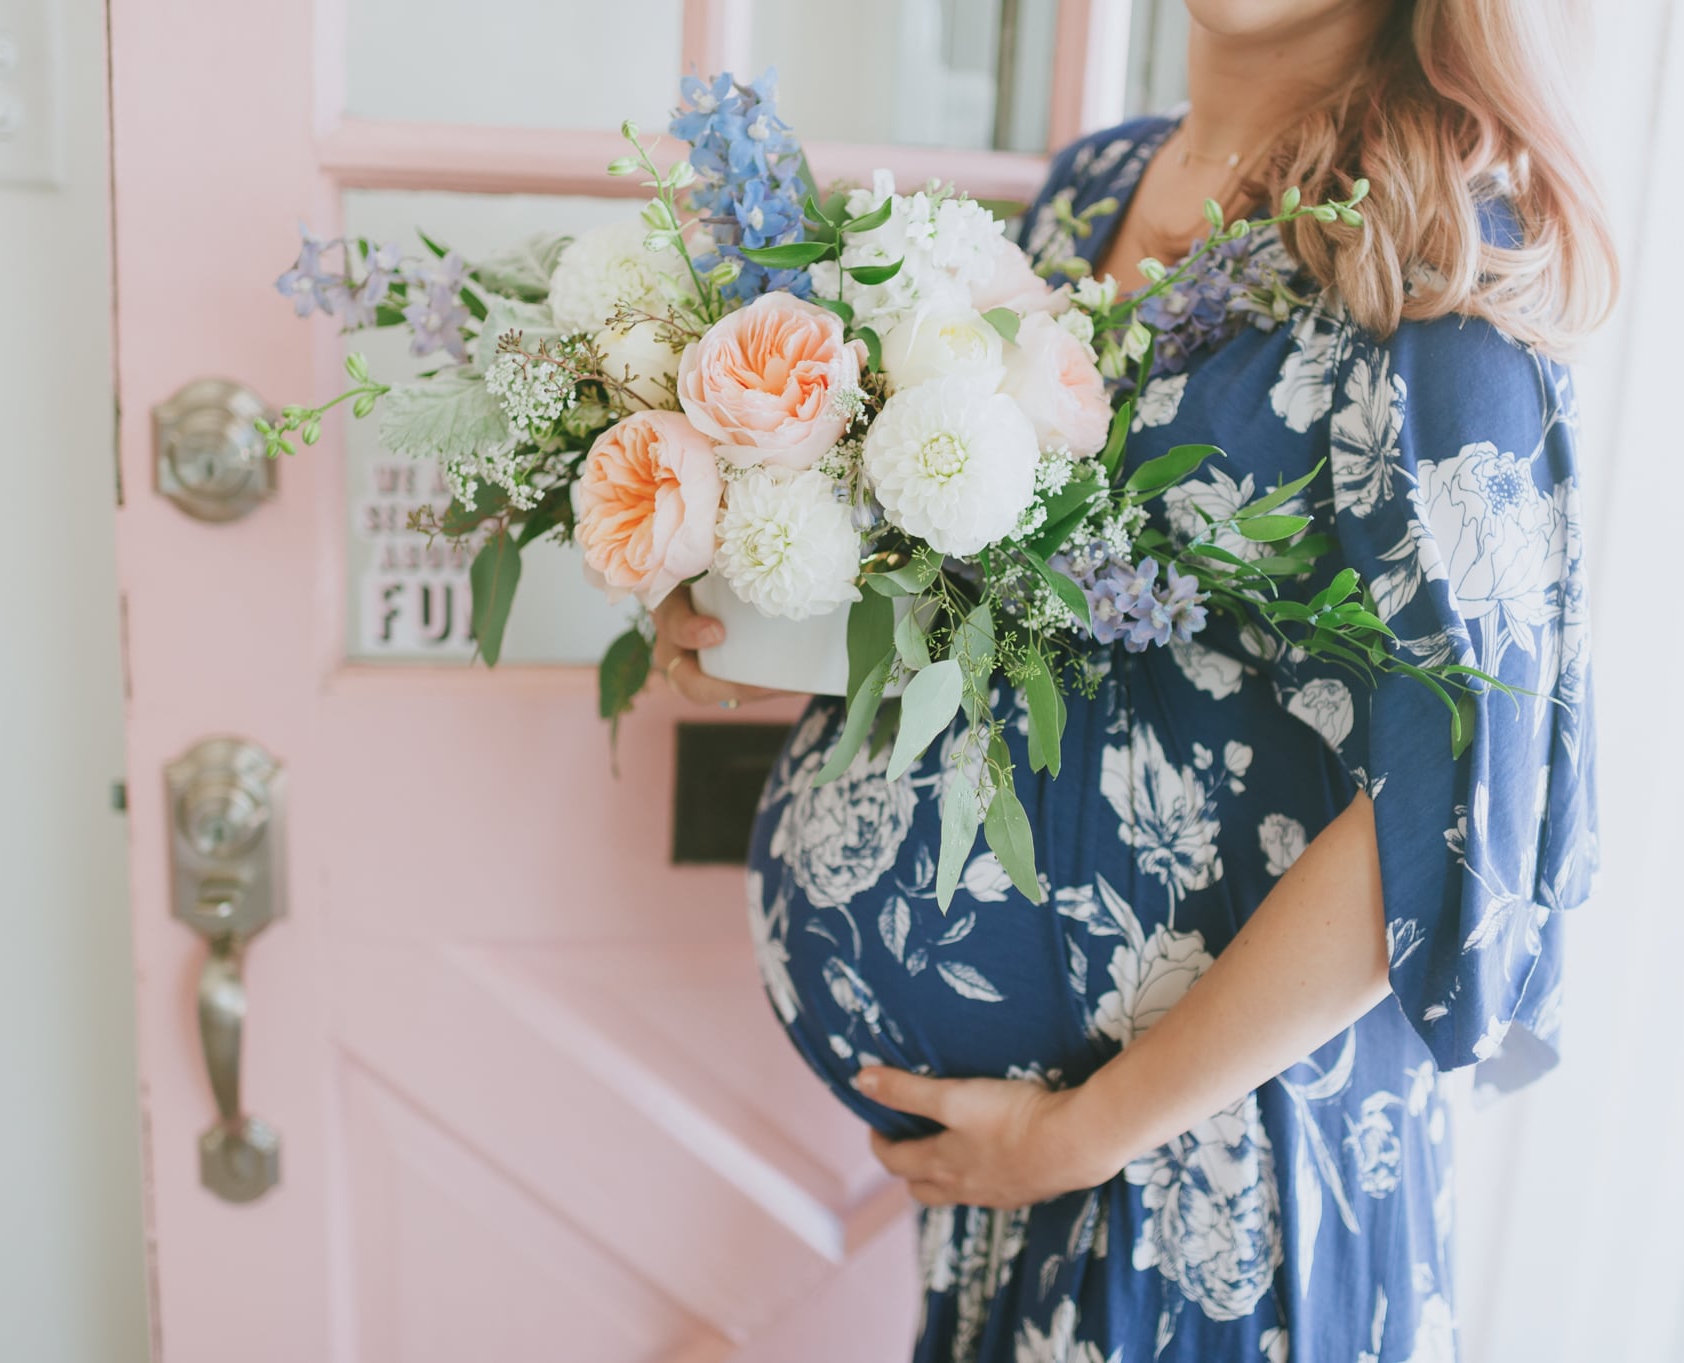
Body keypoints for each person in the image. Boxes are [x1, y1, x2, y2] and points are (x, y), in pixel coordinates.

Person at [653, 0, 1613, 1357]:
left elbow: (1455, 801)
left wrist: (1085, 1132)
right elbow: (992, 597)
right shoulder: (1093, 185)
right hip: (1017, 1164)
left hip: (1224, 1167)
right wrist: (768, 600)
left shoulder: (1438, 259)